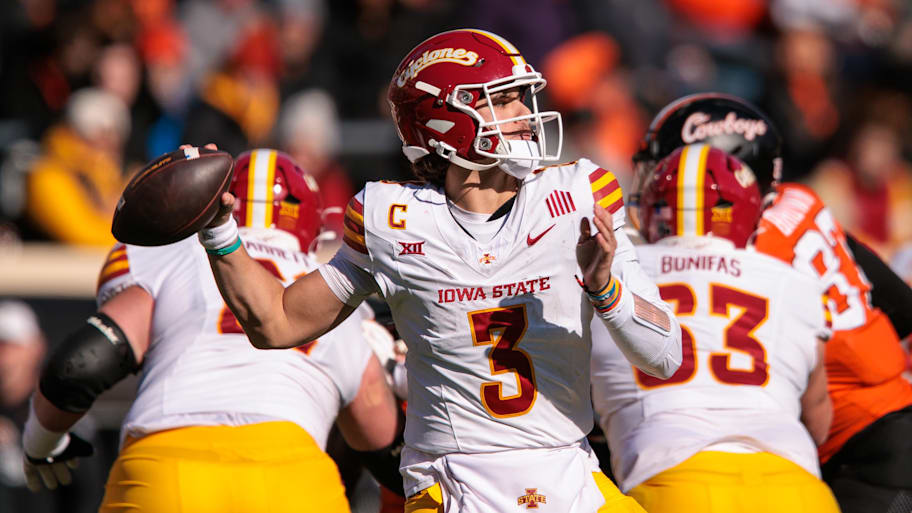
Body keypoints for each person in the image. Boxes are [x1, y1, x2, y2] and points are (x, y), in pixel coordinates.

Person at [197, 29, 682, 512]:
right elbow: (278, 322)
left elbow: (664, 356)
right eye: (504, 100)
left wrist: (605, 288)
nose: (524, 113)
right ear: (445, 121)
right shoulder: (391, 221)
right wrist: (219, 232)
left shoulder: (578, 197)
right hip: (455, 484)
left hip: (568, 471)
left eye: (521, 98)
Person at [20, 149, 402, 512]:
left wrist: (41, 443)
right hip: (295, 480)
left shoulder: (167, 255)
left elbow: (82, 365)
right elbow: (384, 446)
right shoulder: (334, 291)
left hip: (169, 467)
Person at [628, 92, 912, 513]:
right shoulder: (802, 200)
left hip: (851, 447)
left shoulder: (738, 247)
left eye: (668, 172)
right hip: (888, 419)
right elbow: (901, 306)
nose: (655, 184)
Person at [591, 143, 839, 512]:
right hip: (796, 487)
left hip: (674, 483)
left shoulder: (611, 269)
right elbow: (818, 420)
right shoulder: (793, 282)